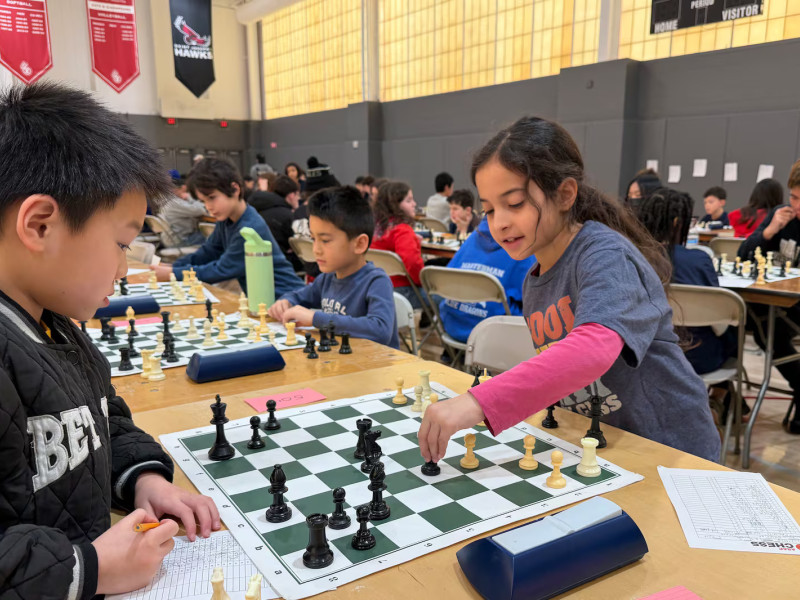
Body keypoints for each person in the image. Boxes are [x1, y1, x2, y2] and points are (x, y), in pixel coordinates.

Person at [0, 82, 220, 598]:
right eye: (121, 244)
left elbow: (103, 421)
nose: (124, 268)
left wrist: (145, 479)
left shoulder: (59, 327)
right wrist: (86, 569)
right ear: (39, 225)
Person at [418, 116, 720, 463]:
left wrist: (478, 401)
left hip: (671, 448)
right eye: (488, 209)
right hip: (606, 448)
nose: (498, 222)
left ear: (564, 194)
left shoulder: (606, 255)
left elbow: (592, 350)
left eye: (514, 203)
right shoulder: (534, 278)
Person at [151, 158, 303, 297]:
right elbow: (208, 252)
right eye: (204, 201)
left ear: (235, 189)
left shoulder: (249, 227)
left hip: (286, 297)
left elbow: (221, 270)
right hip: (265, 299)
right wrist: (174, 266)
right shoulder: (226, 220)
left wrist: (173, 272)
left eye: (212, 198)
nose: (209, 207)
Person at [268, 186, 398, 348]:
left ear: (359, 244)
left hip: (378, 369)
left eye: (325, 240)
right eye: (313, 239)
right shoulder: (327, 279)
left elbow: (380, 330)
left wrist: (316, 318)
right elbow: (297, 296)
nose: (316, 249)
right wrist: (285, 302)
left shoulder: (376, 281)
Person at [637, 188, 736, 376]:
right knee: (732, 333)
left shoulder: (633, 257)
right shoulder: (698, 260)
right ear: (677, 223)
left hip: (645, 355)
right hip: (698, 357)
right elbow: (719, 320)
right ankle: (723, 397)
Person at [737, 160, 800, 433]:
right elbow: (743, 254)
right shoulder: (781, 214)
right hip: (774, 302)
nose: (796, 206)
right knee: (747, 322)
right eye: (795, 197)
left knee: (767, 330)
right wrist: (769, 231)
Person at [438, 216, 535, 343]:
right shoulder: (526, 247)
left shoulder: (473, 237)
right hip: (491, 336)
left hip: (452, 325)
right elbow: (535, 299)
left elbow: (446, 278)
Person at [371, 181, 428, 311]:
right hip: (403, 292)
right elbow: (413, 263)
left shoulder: (377, 229)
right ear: (395, 206)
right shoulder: (402, 229)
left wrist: (412, 239)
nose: (414, 204)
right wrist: (425, 283)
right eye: (409, 201)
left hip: (378, 289)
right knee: (446, 299)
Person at [249, 175, 303, 271]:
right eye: (297, 194)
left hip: (255, 261)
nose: (298, 198)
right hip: (280, 264)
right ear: (291, 195)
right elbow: (298, 246)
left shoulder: (256, 208)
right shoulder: (287, 215)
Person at [159, 176, 208, 246]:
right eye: (185, 191)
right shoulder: (175, 203)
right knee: (211, 235)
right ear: (181, 188)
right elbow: (201, 210)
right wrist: (189, 197)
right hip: (179, 241)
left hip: (168, 239)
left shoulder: (166, 201)